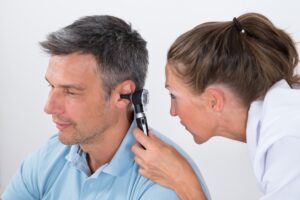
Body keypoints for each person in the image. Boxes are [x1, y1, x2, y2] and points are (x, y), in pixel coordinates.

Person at [2, 15, 210, 200]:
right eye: (52, 86)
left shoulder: (162, 182)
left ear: (122, 94)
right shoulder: (51, 155)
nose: (49, 107)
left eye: (71, 91)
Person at [132, 12, 300, 200]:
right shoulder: (282, 122)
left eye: (174, 95)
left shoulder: (287, 139)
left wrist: (183, 180)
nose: (172, 111)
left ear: (214, 101)